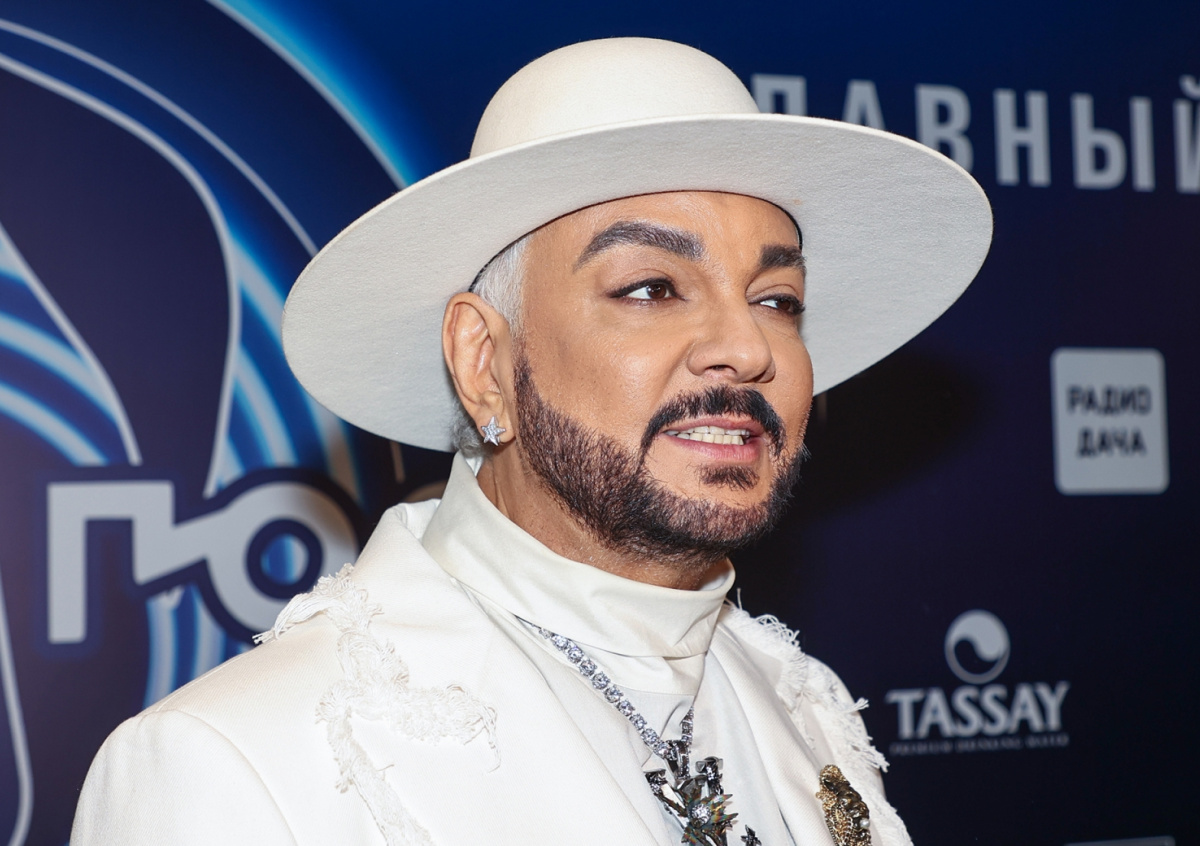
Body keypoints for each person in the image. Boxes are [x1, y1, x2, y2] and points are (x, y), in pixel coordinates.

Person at [72, 37, 990, 846]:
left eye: (777, 300)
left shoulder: (803, 703)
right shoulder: (234, 763)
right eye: (651, 289)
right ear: (484, 363)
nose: (748, 349)